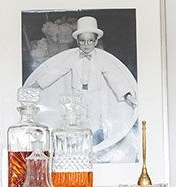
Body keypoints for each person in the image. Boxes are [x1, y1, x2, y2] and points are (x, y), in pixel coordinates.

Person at [24, 16, 138, 162]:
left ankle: (94, 153)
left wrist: (127, 94)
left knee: (95, 124)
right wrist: (37, 85)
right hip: (76, 97)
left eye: (90, 41)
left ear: (96, 41)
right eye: (83, 41)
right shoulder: (72, 57)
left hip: (95, 96)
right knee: (78, 124)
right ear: (77, 41)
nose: (86, 45)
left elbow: (114, 77)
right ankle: (78, 154)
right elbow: (57, 71)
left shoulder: (102, 59)